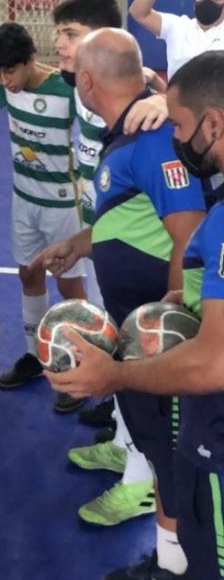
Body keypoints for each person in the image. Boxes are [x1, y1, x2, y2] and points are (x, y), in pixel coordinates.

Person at [48, 49, 224, 580]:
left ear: (212, 123)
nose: (174, 135)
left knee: (201, 524)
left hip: (208, 414)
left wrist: (118, 371)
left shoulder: (156, 151)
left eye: (180, 125)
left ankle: (172, 565)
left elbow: (213, 362)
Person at [52, 0, 169, 526]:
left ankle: (145, 484)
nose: (60, 46)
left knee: (141, 369)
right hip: (110, 241)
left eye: (71, 35)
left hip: (145, 264)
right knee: (117, 357)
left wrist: (161, 95)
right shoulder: (87, 95)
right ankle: (126, 448)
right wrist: (83, 242)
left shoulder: (146, 108)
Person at [0, 21, 86, 413]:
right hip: (23, 202)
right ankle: (35, 355)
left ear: (30, 60)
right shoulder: (5, 87)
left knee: (71, 285)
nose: (4, 81)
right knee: (29, 275)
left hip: (62, 206)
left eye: (11, 71)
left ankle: (78, 364)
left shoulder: (66, 89)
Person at [128, 0, 224, 78]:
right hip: (179, 96)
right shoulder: (178, 26)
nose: (207, 2)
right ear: (194, 1)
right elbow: (138, 13)